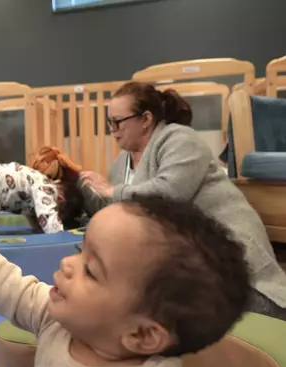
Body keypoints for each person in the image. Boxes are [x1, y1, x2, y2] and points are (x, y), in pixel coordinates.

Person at [0, 176, 251, 367]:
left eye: (91, 269)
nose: (66, 263)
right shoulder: (54, 321)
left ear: (142, 334)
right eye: (80, 251)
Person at [79, 81, 286, 320]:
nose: (112, 130)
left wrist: (111, 191)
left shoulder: (180, 139)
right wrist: (74, 185)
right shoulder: (122, 163)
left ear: (145, 119)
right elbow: (113, 205)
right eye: (109, 123)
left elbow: (169, 194)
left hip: (238, 272)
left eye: (117, 122)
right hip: (190, 270)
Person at [0, 146, 85, 234]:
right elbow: (48, 217)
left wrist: (38, 228)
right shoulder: (48, 189)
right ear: (61, 200)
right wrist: (60, 236)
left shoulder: (36, 181)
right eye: (59, 213)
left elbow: (35, 216)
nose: (54, 213)